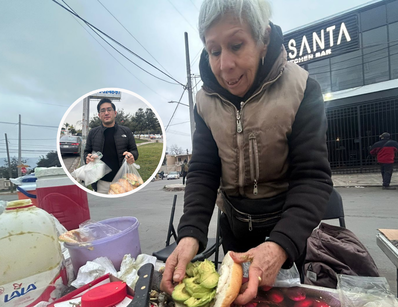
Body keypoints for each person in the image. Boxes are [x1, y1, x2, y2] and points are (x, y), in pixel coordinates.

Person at [160, 0, 333, 305]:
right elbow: (203, 170)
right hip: (235, 230)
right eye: (214, 51)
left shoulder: (303, 89)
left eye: (237, 45)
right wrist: (190, 233)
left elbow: (312, 178)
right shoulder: (205, 101)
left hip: (288, 231)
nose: (225, 65)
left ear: (263, 40)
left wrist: (280, 245)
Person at [83, 98, 138, 194]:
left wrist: (132, 156)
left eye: (109, 109)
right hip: (101, 183)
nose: (106, 113)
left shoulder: (126, 131)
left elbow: (134, 150)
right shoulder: (93, 133)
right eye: (103, 111)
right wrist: (87, 158)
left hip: (122, 181)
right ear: (99, 115)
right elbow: (86, 152)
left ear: (115, 113)